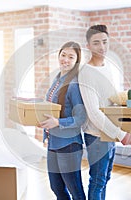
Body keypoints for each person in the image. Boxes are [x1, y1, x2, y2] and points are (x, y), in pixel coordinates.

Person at [79, 24, 131, 200]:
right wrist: (122, 135)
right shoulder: (86, 73)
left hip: (109, 134)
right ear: (88, 45)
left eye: (105, 42)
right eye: (96, 43)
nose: (102, 47)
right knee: (97, 180)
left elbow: (111, 101)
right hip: (96, 136)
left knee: (105, 179)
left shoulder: (108, 67)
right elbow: (94, 113)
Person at [39, 41, 86, 200]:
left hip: (69, 145)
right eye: (63, 55)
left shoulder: (74, 85)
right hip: (53, 143)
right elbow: (51, 110)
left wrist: (58, 123)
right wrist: (46, 134)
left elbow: (81, 118)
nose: (65, 59)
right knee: (56, 187)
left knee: (75, 190)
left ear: (76, 62)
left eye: (71, 57)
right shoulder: (57, 80)